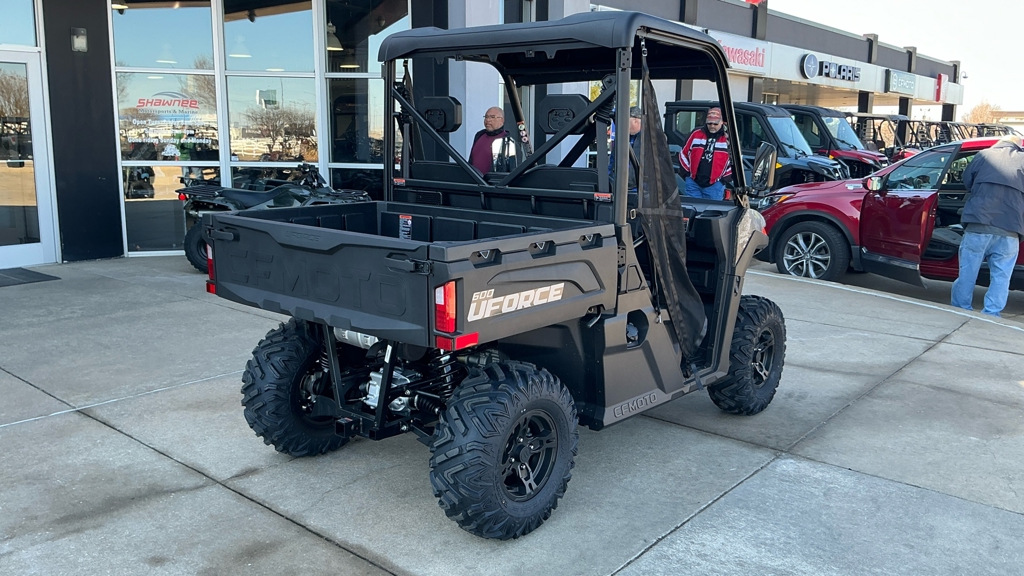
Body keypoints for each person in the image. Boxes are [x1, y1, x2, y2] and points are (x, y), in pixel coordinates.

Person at [950, 134, 1024, 317]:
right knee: (1001, 276)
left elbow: (967, 181)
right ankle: (992, 313)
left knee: (968, 272)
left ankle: (961, 309)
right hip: (1010, 228)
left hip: (979, 223)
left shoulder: (983, 155)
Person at [679, 107, 732, 200]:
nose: (712, 126)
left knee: (712, 209)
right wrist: (687, 175)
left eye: (715, 124)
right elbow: (683, 154)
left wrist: (723, 180)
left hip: (715, 185)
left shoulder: (728, 138)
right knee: (693, 208)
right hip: (693, 183)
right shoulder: (696, 134)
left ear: (722, 122)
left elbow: (735, 162)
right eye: (709, 123)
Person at [468, 106, 515, 174]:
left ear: (502, 120)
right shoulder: (479, 135)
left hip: (493, 180)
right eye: (486, 117)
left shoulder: (508, 141)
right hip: (473, 179)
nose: (488, 120)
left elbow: (512, 169)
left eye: (492, 117)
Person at [609, 106, 643, 189]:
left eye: (627, 123)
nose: (625, 127)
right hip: (620, 186)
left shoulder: (649, 138)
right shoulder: (622, 137)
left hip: (639, 187)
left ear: (635, 121)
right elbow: (613, 159)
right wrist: (609, 177)